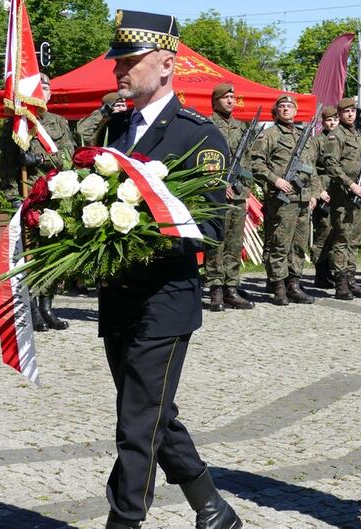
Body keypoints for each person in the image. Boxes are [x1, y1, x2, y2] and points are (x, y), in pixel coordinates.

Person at [96, 11, 242, 529]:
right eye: (119, 61)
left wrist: (141, 232)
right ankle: (212, 506)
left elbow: (212, 226)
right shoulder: (114, 126)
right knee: (153, 411)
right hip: (117, 296)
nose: (119, 71)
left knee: (136, 422)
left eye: (131, 62)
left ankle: (124, 520)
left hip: (165, 299)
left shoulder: (197, 136)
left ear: (166, 65)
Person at [0, 72, 75, 332]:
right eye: (37, 88)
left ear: (50, 94)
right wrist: (13, 198)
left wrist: (40, 161)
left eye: (46, 87)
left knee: (52, 254)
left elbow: (69, 156)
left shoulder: (59, 123)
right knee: (29, 254)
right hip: (28, 195)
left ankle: (47, 306)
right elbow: (6, 166)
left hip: (56, 195)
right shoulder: (16, 124)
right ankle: (31, 308)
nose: (42, 92)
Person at [250, 94, 327, 305]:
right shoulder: (269, 135)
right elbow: (256, 163)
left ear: (295, 111)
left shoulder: (305, 136)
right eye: (282, 106)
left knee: (298, 244)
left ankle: (294, 283)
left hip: (302, 199)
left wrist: (313, 193)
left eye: (289, 106)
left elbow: (312, 169)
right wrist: (275, 180)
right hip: (281, 199)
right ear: (276, 111)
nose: (286, 109)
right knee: (280, 243)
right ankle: (278, 285)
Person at [206, 82, 255, 311]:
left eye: (233, 97)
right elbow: (205, 160)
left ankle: (231, 287)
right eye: (225, 97)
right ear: (215, 101)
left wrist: (245, 187)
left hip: (237, 194)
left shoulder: (241, 127)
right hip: (216, 194)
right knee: (216, 241)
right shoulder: (207, 125)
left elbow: (247, 160)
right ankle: (215, 288)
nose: (230, 101)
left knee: (234, 243)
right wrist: (218, 184)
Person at [327, 97, 361, 299]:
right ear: (339, 114)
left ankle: (351, 278)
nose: (351, 114)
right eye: (346, 112)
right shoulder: (336, 136)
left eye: (353, 111)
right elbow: (331, 165)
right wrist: (350, 184)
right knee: (342, 238)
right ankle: (341, 282)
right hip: (344, 195)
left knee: (355, 239)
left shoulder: (360, 136)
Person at [311, 106, 340, 289]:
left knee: (337, 233)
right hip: (324, 192)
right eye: (329, 120)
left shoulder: (340, 138)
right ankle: (320, 273)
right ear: (323, 122)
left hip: (338, 191)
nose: (333, 123)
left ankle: (330, 270)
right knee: (324, 232)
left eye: (335, 119)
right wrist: (318, 190)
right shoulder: (317, 141)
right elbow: (311, 167)